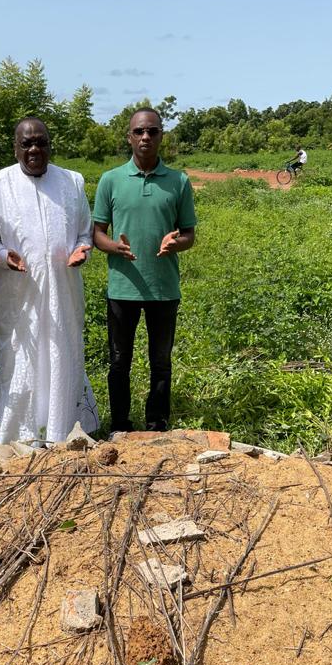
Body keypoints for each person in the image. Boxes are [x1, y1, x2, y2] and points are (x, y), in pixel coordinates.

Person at [0, 117, 98, 444]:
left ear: (50, 145)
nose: (34, 149)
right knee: (21, 358)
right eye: (27, 143)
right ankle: (21, 434)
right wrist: (4, 256)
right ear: (15, 148)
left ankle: (63, 429)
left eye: (41, 142)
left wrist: (81, 251)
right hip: (18, 293)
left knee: (62, 352)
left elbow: (84, 232)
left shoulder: (72, 181)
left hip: (63, 289)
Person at [93, 108, 196, 433]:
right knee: (119, 361)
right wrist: (115, 247)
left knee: (161, 362)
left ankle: (156, 423)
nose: (145, 137)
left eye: (152, 131)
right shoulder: (111, 180)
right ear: (129, 137)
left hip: (163, 288)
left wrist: (174, 243)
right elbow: (97, 234)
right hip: (122, 287)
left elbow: (189, 234)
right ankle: (120, 424)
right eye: (139, 131)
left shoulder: (179, 181)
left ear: (161, 135)